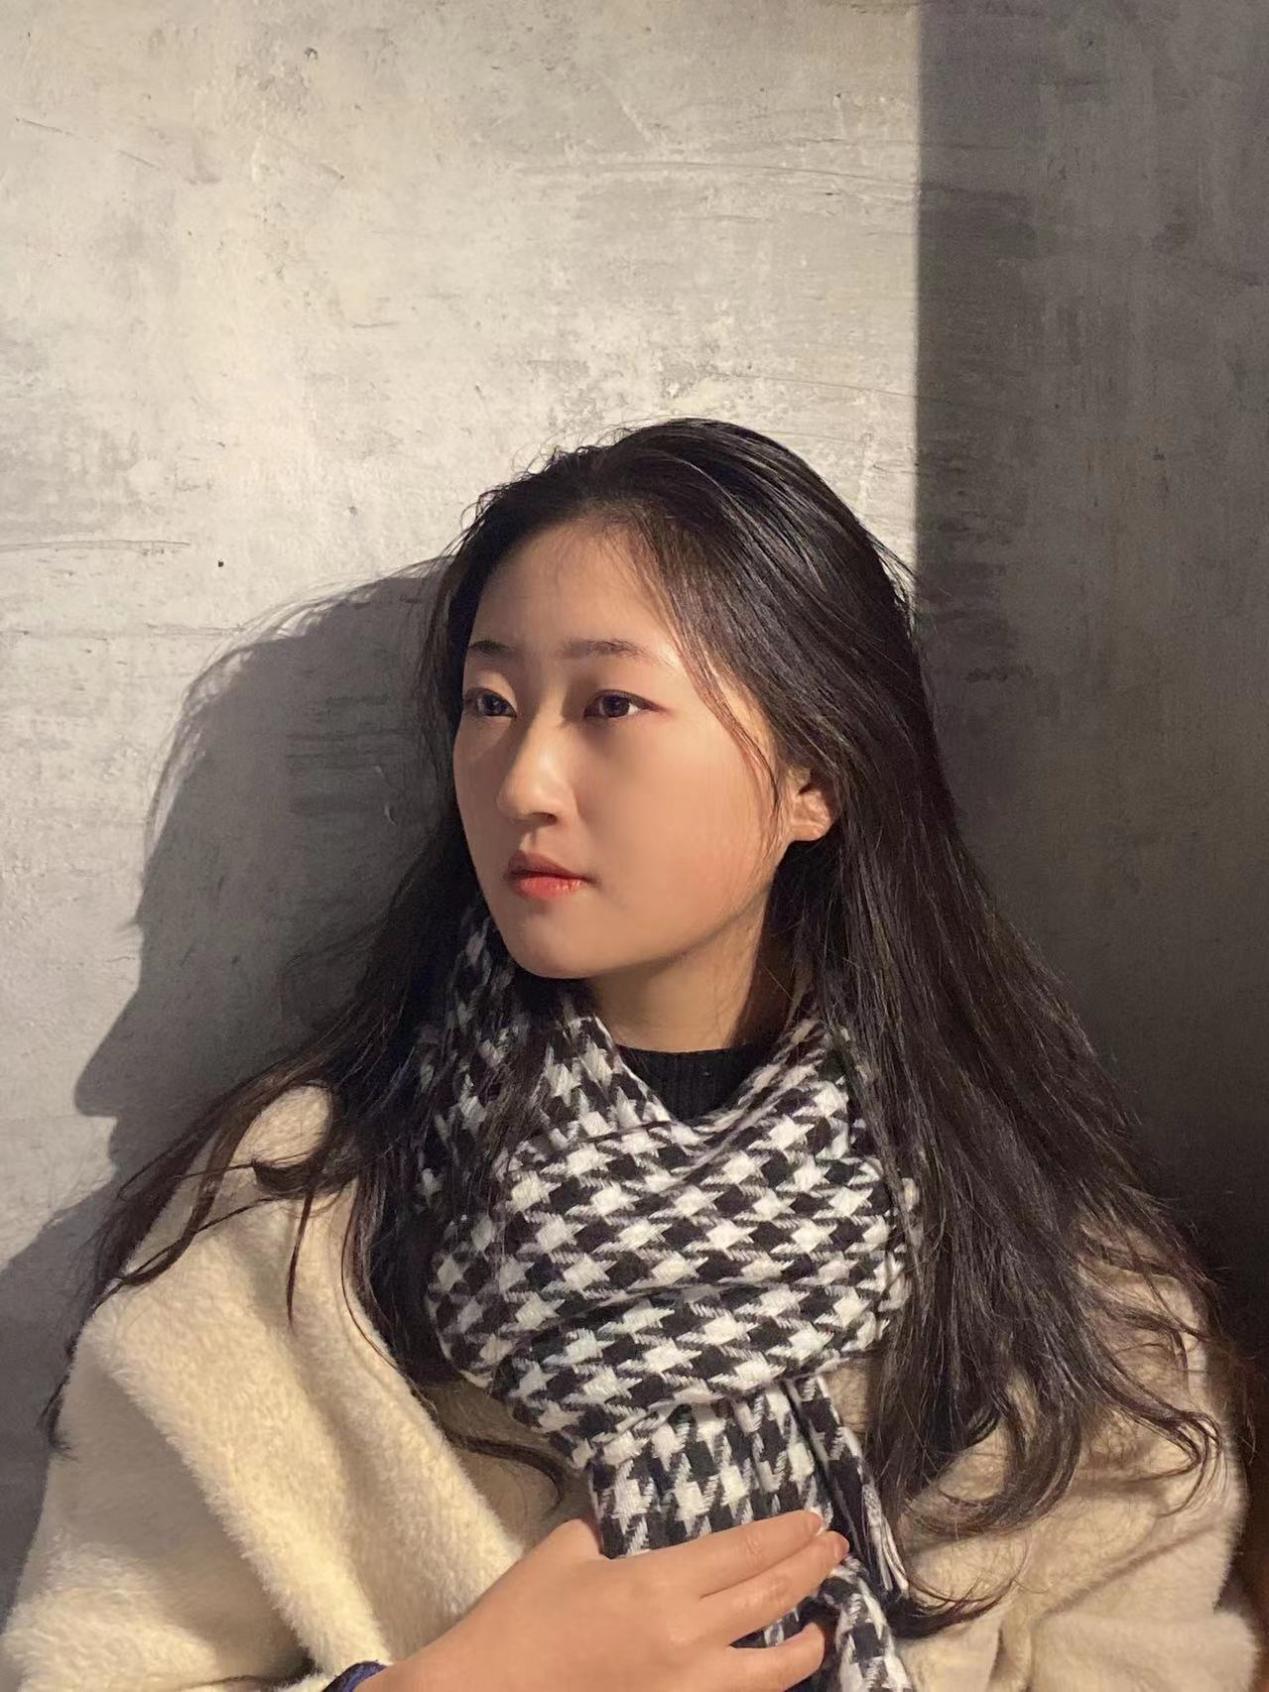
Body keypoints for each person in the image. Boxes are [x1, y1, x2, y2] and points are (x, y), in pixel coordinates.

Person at [1, 417, 1262, 1692]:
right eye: (489, 705)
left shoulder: (1044, 1242)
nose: (524, 781)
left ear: (815, 772)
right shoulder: (299, 1222)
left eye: (611, 704)